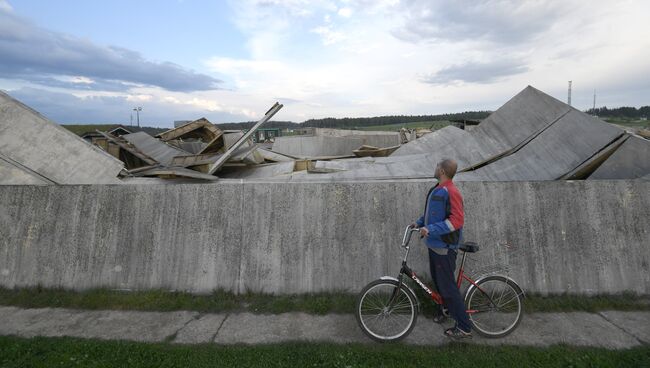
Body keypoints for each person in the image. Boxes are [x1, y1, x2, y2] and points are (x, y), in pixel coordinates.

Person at [410, 158, 472, 339]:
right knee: (440, 285)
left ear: (443, 170)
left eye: (437, 165)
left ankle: (464, 326)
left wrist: (430, 229)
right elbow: (432, 214)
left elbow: (457, 221)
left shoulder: (451, 191)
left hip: (444, 248)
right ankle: (445, 310)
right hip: (434, 246)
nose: (435, 167)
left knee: (448, 288)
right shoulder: (437, 189)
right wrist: (419, 223)